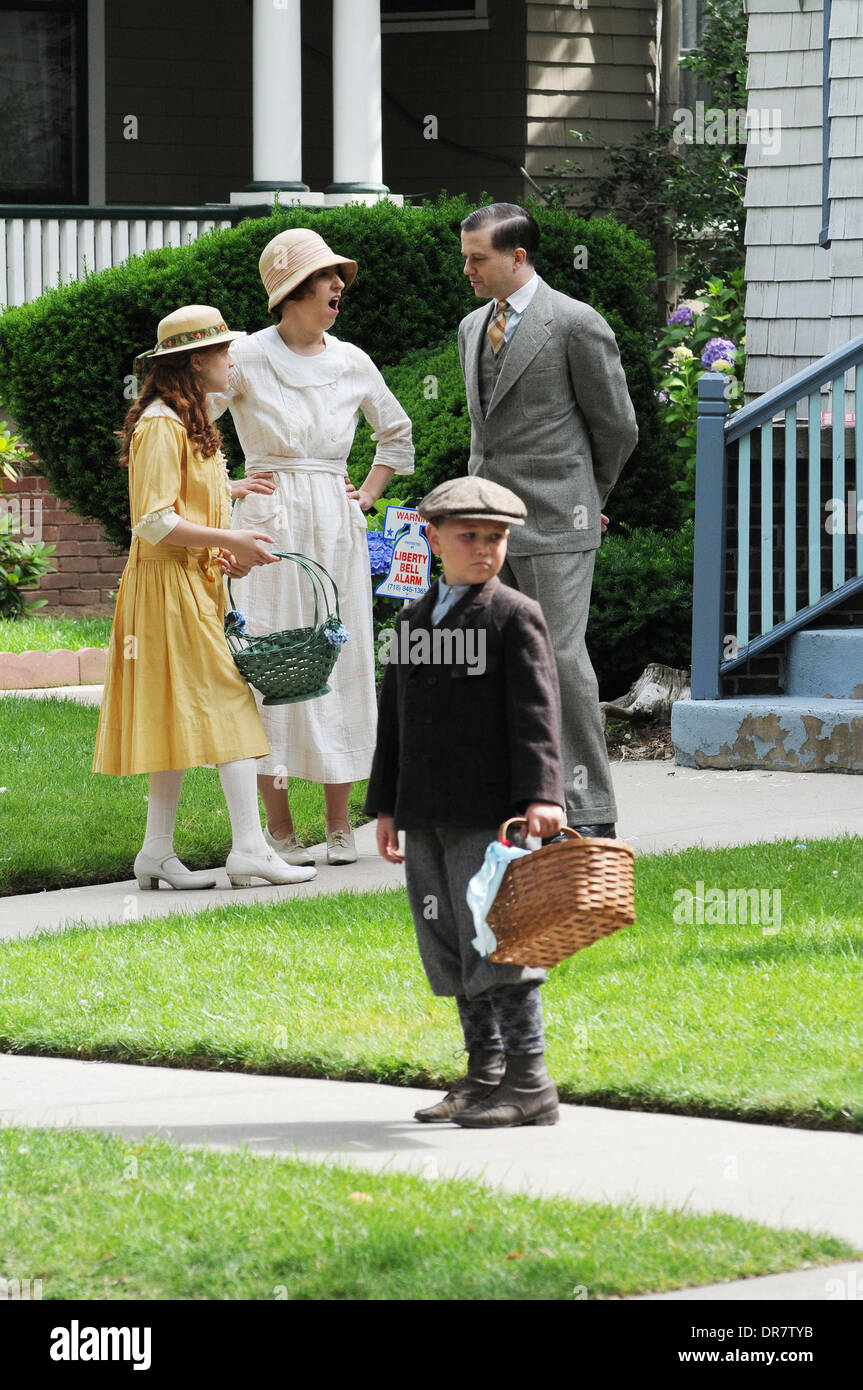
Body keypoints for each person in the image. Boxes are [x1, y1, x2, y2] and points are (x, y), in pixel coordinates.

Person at [92, 304, 318, 892]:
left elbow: (184, 501)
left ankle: (155, 853)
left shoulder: (184, 420)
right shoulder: (163, 425)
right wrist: (231, 537)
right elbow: (154, 521)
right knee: (230, 702)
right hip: (168, 589)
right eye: (222, 353)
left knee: (178, 710)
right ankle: (249, 848)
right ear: (196, 363)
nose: (231, 360)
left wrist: (229, 499)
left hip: (186, 585)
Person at [364, 476, 566, 1129]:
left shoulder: (513, 616)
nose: (483, 548)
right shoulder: (414, 619)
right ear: (433, 538)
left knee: (500, 941)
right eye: (468, 536)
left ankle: (529, 1082)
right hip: (425, 812)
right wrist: (387, 806)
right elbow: (394, 718)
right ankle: (482, 1077)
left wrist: (541, 794)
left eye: (496, 537)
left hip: (490, 816)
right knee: (449, 942)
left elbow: (535, 713)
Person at [208, 228, 414, 867]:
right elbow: (192, 424)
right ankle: (277, 827)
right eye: (327, 278)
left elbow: (396, 435)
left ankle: (338, 824)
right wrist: (228, 484)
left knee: (338, 654)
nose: (338, 288)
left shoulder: (353, 360)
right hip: (267, 521)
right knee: (269, 654)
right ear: (292, 290)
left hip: (335, 521)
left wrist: (366, 497)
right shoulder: (246, 355)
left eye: (339, 279)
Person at [458, 203, 639, 839]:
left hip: (561, 519)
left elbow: (617, 425)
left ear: (518, 257)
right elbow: (486, 435)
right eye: (465, 257)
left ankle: (590, 814)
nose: (468, 270)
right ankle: (522, 802)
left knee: (559, 660)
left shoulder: (575, 324)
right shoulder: (471, 326)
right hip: (488, 525)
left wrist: (593, 493)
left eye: (478, 258)